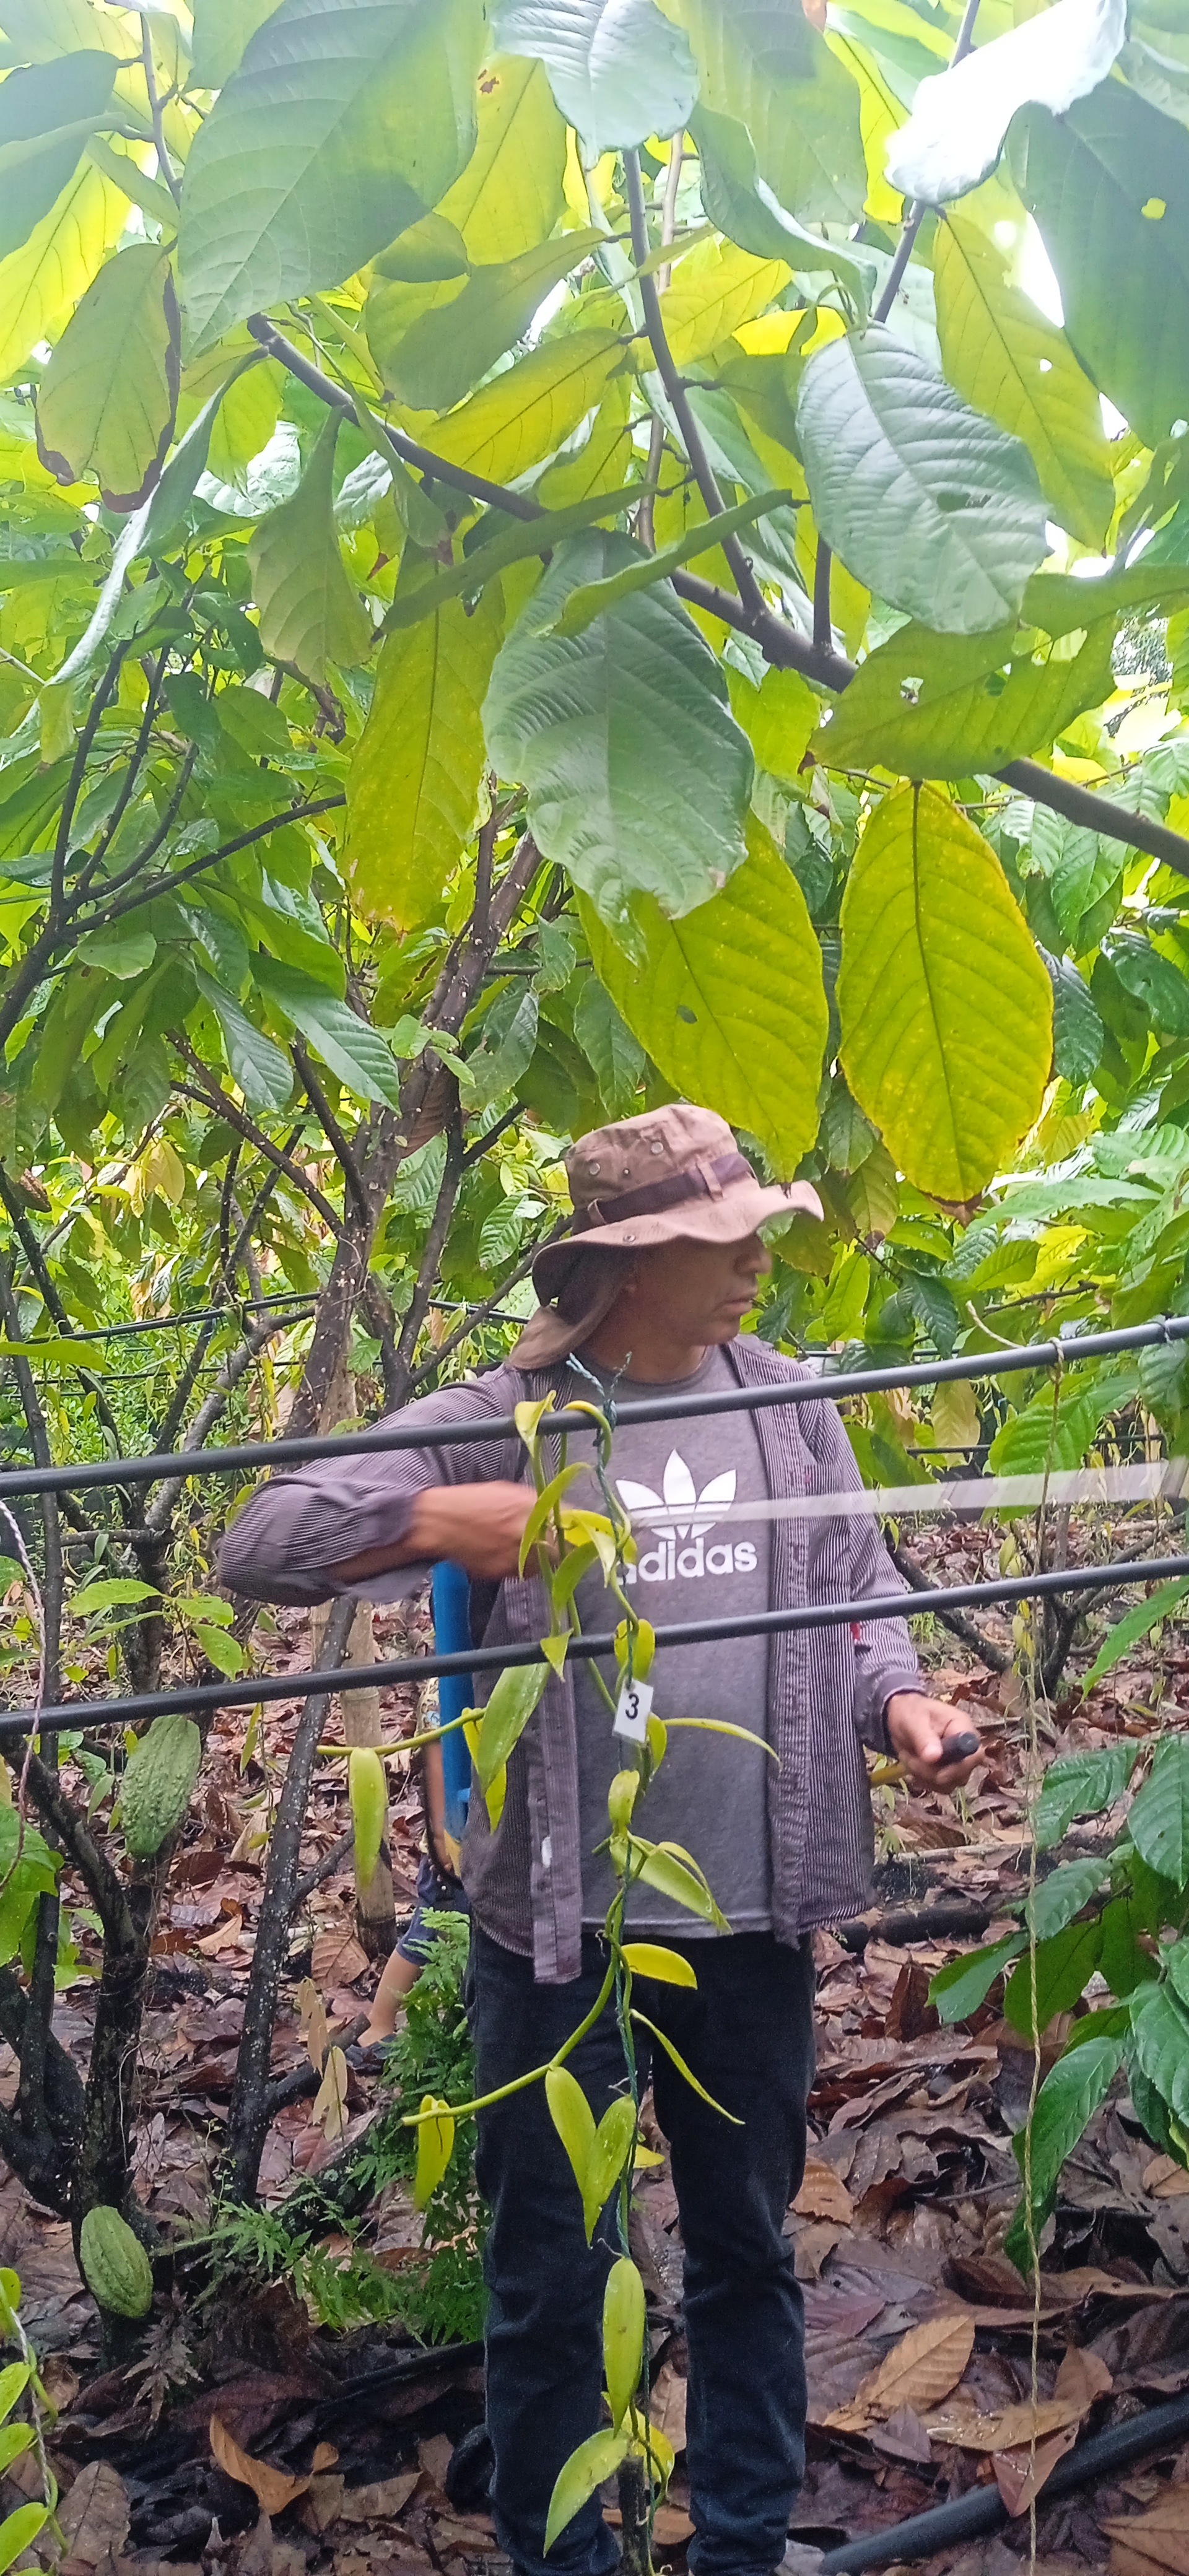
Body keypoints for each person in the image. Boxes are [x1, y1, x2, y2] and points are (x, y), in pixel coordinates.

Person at [220, 1105, 980, 2576]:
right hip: (554, 1931)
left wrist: (901, 1699)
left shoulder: (788, 1406)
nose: (756, 1260)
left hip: (747, 1916)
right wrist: (443, 1518)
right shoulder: (508, 1413)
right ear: (631, 1266)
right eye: (722, 1239)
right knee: (551, 2276)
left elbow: (859, 1589)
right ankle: (562, 2555)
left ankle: (742, 2542)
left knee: (747, 2247)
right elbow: (263, 1541)